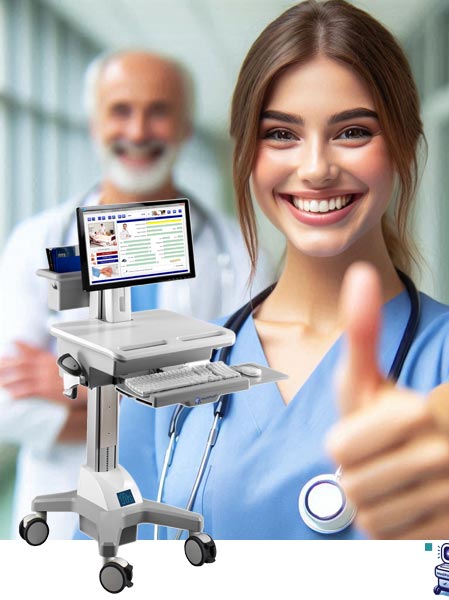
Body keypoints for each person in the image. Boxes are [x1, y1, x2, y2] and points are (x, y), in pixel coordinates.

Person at [121, 0, 449, 540]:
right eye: (281, 134)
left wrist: (429, 447)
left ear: (402, 143)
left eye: (352, 132)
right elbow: (108, 552)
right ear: (247, 155)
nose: (316, 167)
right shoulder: (173, 367)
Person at [0, 50, 274, 540]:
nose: (139, 128)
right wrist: (165, 395)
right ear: (93, 123)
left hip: (192, 500)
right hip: (65, 515)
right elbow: (6, 407)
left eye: (160, 110)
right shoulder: (34, 241)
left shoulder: (239, 249)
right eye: (121, 109)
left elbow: (251, 404)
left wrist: (83, 388)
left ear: (187, 126)